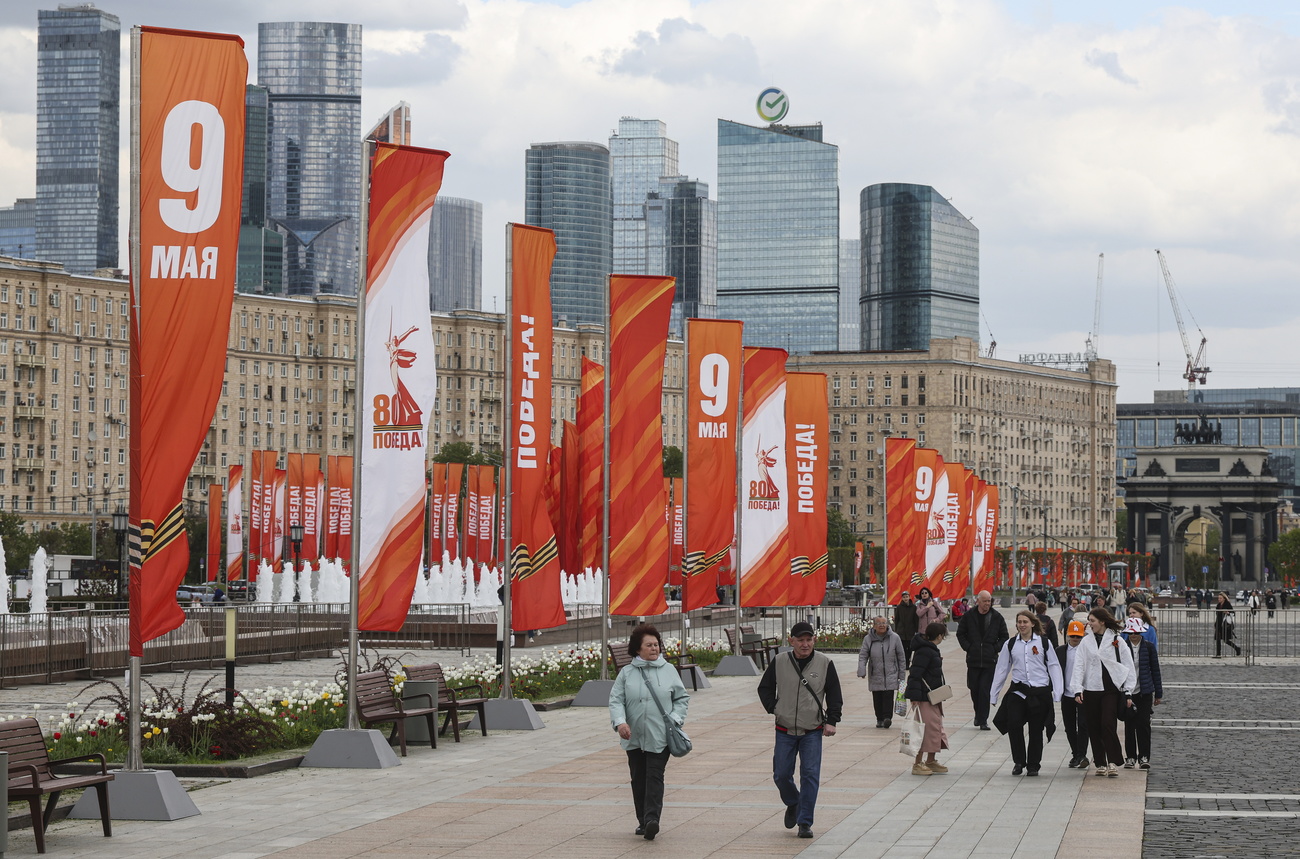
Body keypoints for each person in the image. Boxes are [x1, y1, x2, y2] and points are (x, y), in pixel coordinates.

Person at [758, 621, 842, 840]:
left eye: (809, 639)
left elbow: (834, 694)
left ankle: (805, 822)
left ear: (814, 640)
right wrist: (774, 707)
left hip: (812, 729)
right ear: (791, 641)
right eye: (800, 640)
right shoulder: (779, 661)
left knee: (810, 775)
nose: (805, 644)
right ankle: (794, 802)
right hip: (784, 729)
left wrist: (832, 720)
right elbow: (764, 688)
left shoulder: (825, 663)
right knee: (781, 774)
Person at [608, 623, 690, 841]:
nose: (654, 648)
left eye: (656, 644)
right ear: (638, 649)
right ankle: (643, 821)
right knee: (638, 778)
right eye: (649, 645)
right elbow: (616, 700)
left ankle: (652, 819)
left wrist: (674, 720)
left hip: (660, 736)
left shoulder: (669, 670)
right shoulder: (626, 673)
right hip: (633, 736)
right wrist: (620, 722)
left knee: (654, 776)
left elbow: (681, 699)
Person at [990, 611, 1063, 776]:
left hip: (1039, 692)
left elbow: (1054, 666)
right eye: (1019, 622)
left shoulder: (1044, 643)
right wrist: (994, 693)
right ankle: (1019, 761)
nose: (1022, 625)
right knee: (1013, 724)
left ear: (1032, 624)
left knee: (1036, 729)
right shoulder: (1010, 644)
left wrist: (1057, 692)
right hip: (1019, 691)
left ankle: (1033, 765)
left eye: (1025, 622)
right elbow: (1002, 669)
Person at [1070, 608, 1136, 777]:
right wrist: (1077, 688)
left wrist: (1128, 690)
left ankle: (1113, 761)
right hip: (1091, 689)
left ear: (1102, 622)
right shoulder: (1085, 642)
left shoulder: (1117, 640)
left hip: (1110, 689)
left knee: (1108, 724)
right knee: (1094, 726)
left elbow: (1128, 665)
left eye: (1092, 621)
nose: (1089, 624)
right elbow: (1079, 665)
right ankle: (1100, 762)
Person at [956, 589, 1009, 730]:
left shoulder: (996, 617)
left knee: (985, 690)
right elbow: (960, 634)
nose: (987, 603)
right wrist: (969, 647)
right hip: (973, 659)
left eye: (989, 601)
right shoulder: (969, 616)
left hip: (989, 660)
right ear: (978, 601)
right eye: (985, 601)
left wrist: (994, 648)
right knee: (974, 689)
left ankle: (983, 719)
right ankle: (978, 715)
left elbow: (1004, 637)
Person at [905, 622, 951, 776]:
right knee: (924, 730)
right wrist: (914, 697)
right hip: (924, 697)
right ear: (939, 636)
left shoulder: (931, 650)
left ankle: (931, 760)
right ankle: (917, 764)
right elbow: (915, 674)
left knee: (935, 728)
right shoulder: (925, 651)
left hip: (933, 696)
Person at [1122, 617, 1163, 770]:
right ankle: (1131, 757)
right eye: (1131, 632)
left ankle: (1144, 756)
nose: (1133, 635)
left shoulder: (1149, 647)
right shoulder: (1122, 647)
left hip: (1144, 691)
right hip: (1128, 692)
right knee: (1129, 725)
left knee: (1144, 724)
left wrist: (1158, 693)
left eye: (1136, 632)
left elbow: (1155, 670)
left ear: (1141, 632)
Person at [857, 615, 906, 729]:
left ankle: (887, 718)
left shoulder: (895, 638)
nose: (882, 625)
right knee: (877, 697)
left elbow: (901, 657)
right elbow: (863, 655)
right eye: (879, 623)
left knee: (888, 696)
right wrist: (861, 669)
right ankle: (879, 719)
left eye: (884, 623)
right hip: (876, 673)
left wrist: (902, 675)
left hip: (891, 673)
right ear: (874, 626)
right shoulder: (868, 639)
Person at [1056, 619, 1090, 768]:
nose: (1075, 639)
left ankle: (1082, 754)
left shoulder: (1087, 651)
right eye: (1073, 636)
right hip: (1067, 694)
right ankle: (1075, 753)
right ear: (1067, 636)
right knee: (1069, 726)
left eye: (1078, 636)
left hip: (1083, 693)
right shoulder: (1060, 651)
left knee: (1083, 724)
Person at [1214, 592, 1241, 657]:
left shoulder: (1227, 604)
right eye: (1218, 598)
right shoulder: (1218, 605)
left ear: (1224, 598)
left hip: (1225, 624)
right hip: (1219, 623)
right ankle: (1218, 654)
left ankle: (1237, 648)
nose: (1219, 599)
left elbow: (1232, 613)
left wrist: (1228, 612)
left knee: (1226, 640)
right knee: (1218, 639)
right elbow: (1217, 615)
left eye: (1220, 598)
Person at [894, 592, 919, 659]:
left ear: (909, 597)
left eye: (907, 597)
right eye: (904, 597)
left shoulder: (913, 607)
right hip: (901, 630)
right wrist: (896, 629)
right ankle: (904, 662)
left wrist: (916, 629)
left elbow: (915, 619)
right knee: (903, 648)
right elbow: (897, 619)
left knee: (910, 647)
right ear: (902, 598)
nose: (905, 598)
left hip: (910, 630)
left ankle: (908, 661)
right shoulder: (899, 607)